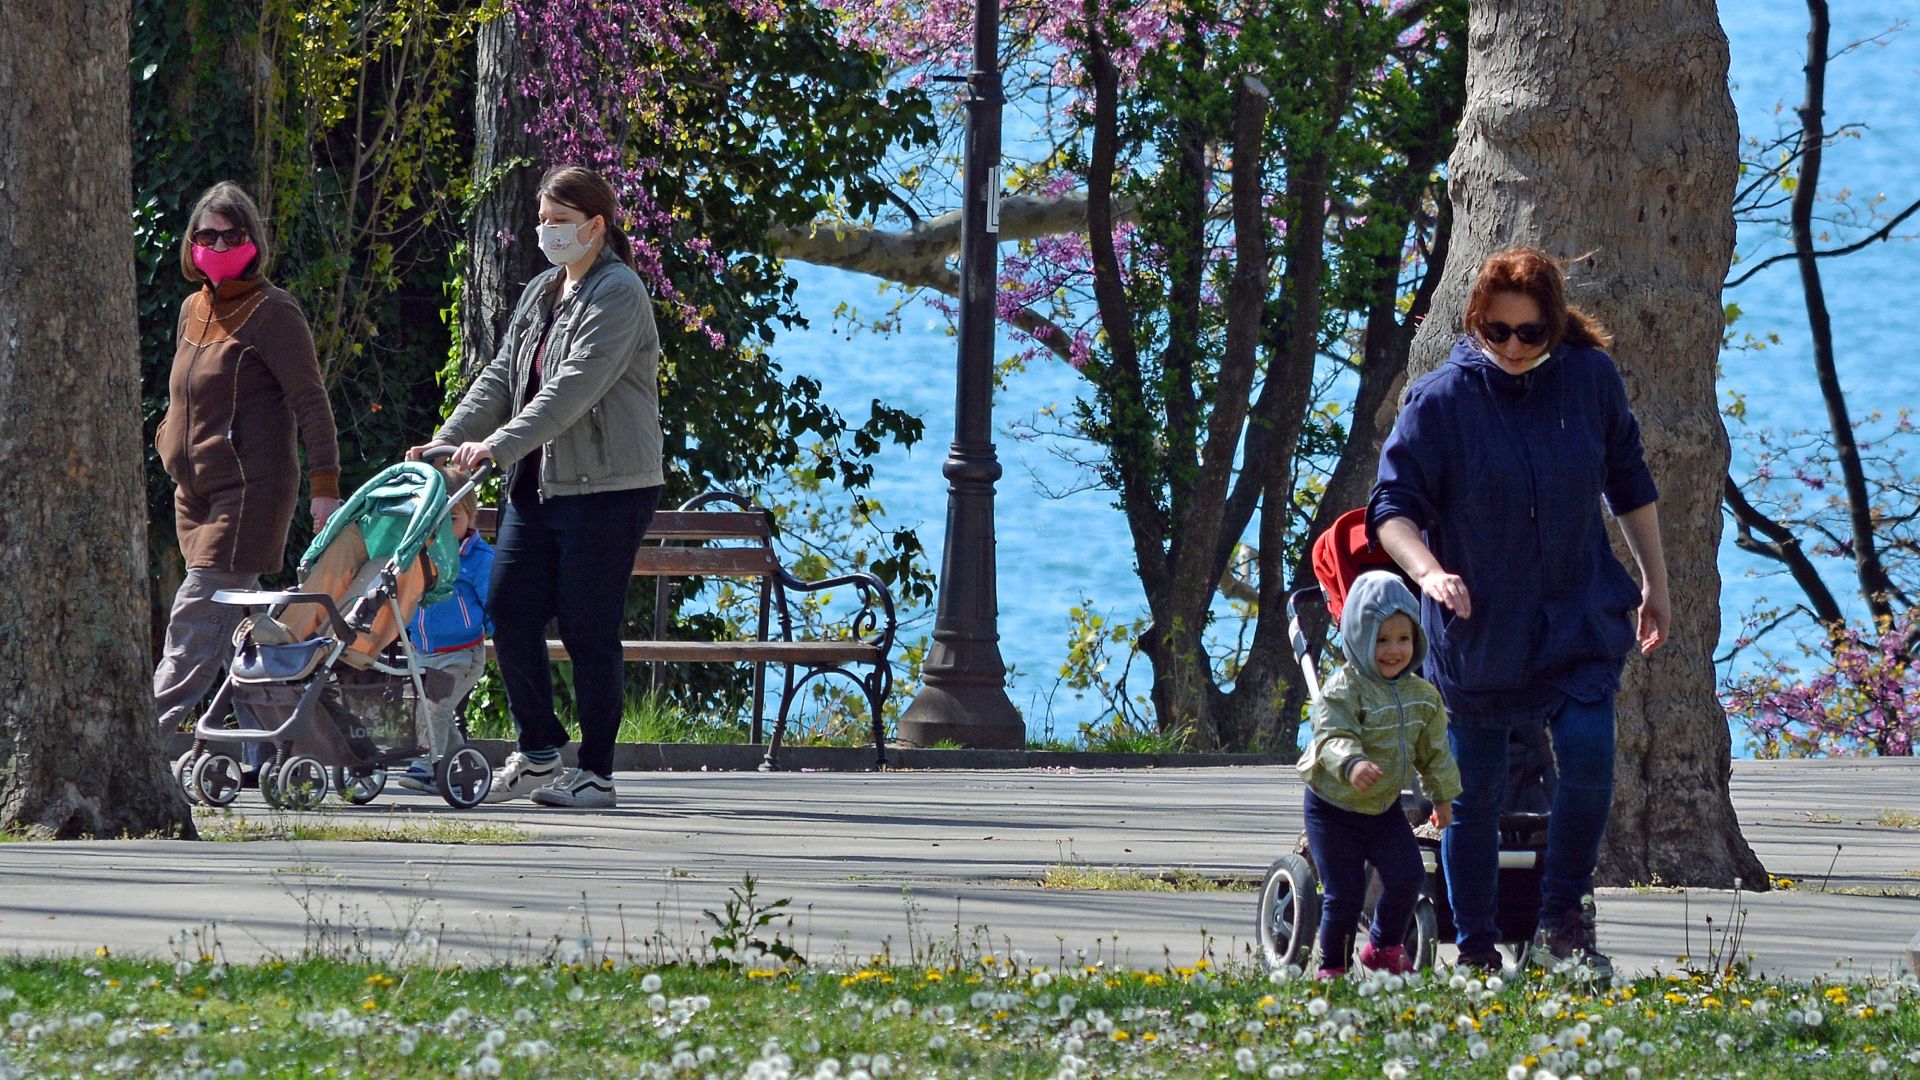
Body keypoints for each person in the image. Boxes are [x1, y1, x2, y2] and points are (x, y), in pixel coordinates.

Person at [1367, 247, 1671, 976]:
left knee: (1591, 758)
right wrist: (1430, 572)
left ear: (1554, 326)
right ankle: (1473, 950)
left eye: (1529, 333)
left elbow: (1629, 481)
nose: (1511, 347)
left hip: (1577, 615)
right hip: (1480, 631)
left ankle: (1563, 922)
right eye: (1496, 331)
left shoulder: (1591, 381)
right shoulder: (1440, 400)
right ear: (1475, 322)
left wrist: (1657, 582)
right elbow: (1392, 510)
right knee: (1472, 800)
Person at [408, 165, 663, 809]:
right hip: (539, 482)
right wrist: (450, 442)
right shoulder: (543, 292)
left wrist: (495, 448)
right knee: (511, 609)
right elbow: (500, 377)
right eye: (542, 221)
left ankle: (597, 773)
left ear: (596, 227)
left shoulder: (619, 293)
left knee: (587, 626)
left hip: (607, 487)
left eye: (560, 223)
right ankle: (541, 754)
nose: (547, 233)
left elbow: (572, 389)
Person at [152, 181, 341, 748]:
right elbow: (185, 393)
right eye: (204, 235)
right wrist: (168, 437)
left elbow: (312, 401)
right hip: (194, 496)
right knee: (243, 630)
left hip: (249, 493)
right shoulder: (192, 307)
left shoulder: (274, 312)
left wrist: (325, 487)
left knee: (193, 621)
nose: (215, 244)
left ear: (252, 241)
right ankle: (305, 748)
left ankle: (144, 741)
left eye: (229, 235)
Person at [1296, 571, 1462, 980]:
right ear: (1359, 638)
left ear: (1417, 641)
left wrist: (1443, 798)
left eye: (1403, 640)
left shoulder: (1421, 696)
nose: (1393, 651)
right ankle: (1332, 968)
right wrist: (1351, 762)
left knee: (1408, 875)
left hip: (1384, 807)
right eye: (1381, 640)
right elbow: (1332, 733)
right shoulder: (1344, 687)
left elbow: (1435, 752)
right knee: (1345, 894)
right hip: (1333, 808)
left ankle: (1383, 946)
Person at [396, 466, 494, 793]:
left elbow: (494, 600)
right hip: (422, 650)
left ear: (470, 519)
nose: (443, 528)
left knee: (435, 708)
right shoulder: (414, 555)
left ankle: (426, 765)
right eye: (434, 519)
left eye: (452, 520)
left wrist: (496, 631)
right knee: (437, 711)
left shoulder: (477, 559)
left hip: (462, 653)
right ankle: (459, 767)